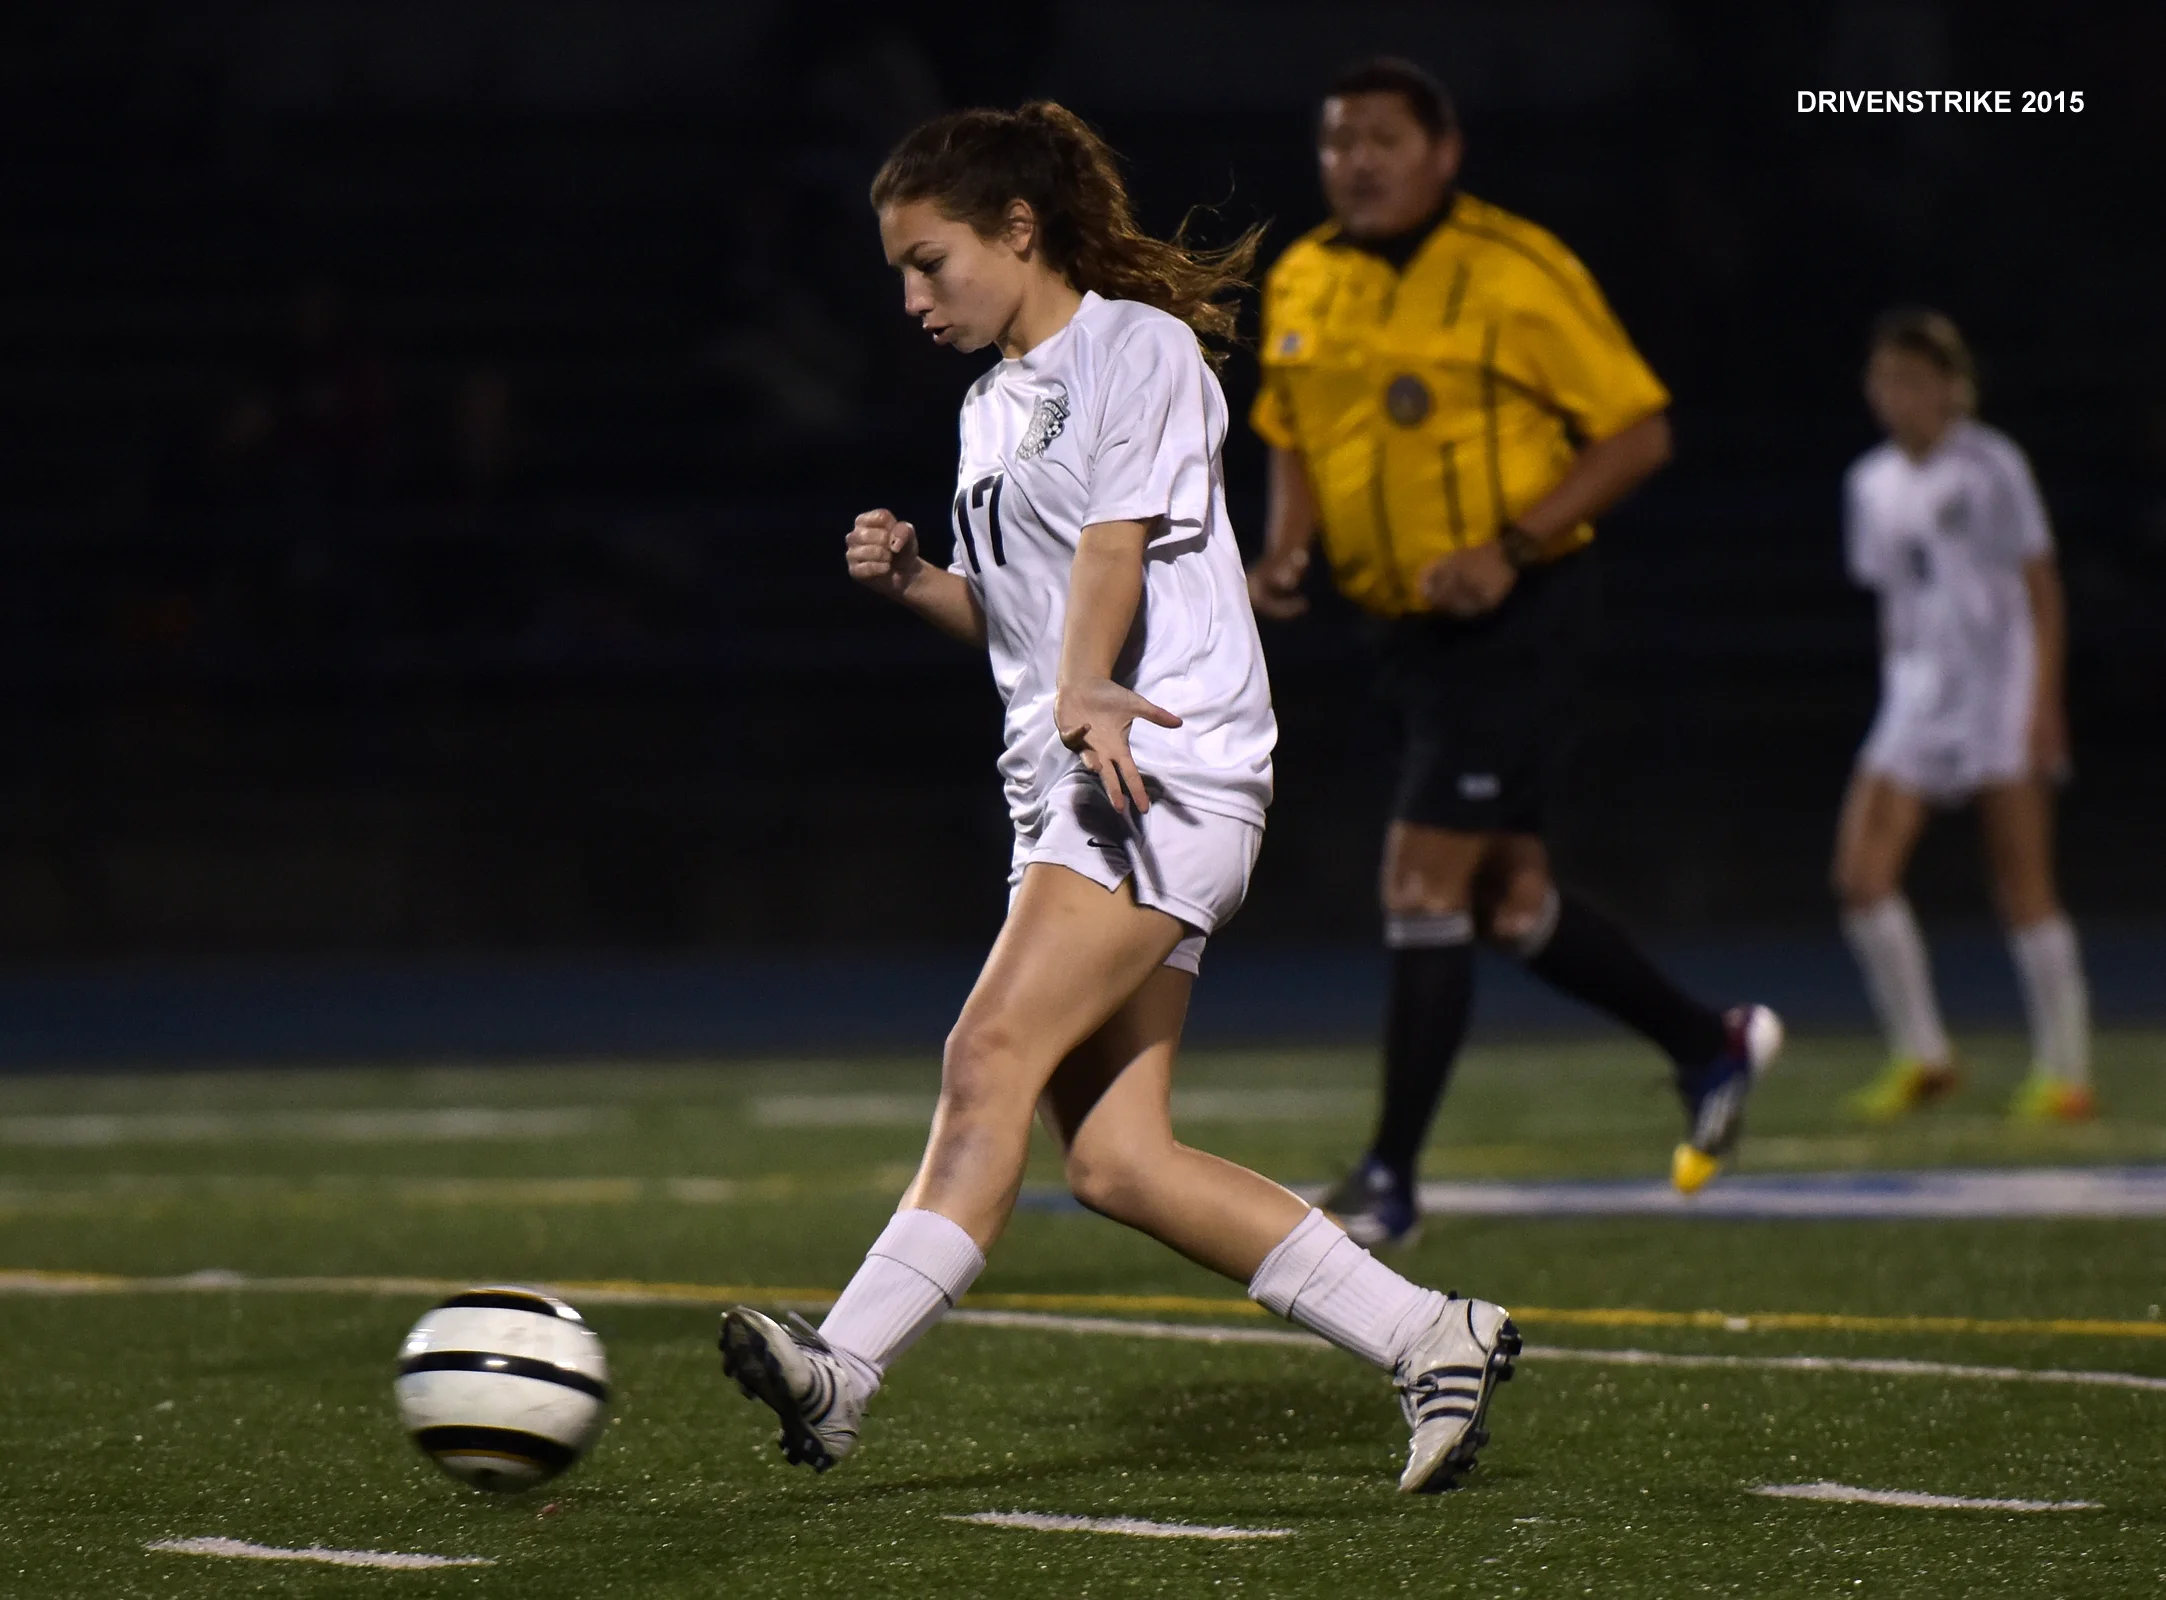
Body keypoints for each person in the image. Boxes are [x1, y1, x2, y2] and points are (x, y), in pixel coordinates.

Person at [717, 101, 1520, 1495]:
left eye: (930, 262)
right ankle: (1428, 1335)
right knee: (1117, 1162)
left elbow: (1114, 552)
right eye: (898, 271)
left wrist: (1088, 681)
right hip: (1079, 786)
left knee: (985, 1059)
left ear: (1019, 231)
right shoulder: (985, 411)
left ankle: (842, 1371)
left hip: (1167, 768)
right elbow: (1033, 633)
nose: (908, 297)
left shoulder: (1131, 349)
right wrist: (919, 583)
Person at [1245, 57, 1781, 1245]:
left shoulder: (1514, 267)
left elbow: (1638, 432)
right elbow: (1289, 427)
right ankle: (1710, 1041)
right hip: (1398, 635)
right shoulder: (1307, 274)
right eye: (1339, 142)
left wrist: (1510, 545)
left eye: (1385, 138)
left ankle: (1389, 1176)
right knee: (1507, 901)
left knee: (1420, 883)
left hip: (1514, 620)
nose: (1359, 162)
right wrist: (1284, 548)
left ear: (1446, 150)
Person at [1835, 309, 2093, 1122]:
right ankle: (1924, 1056)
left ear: (1951, 387)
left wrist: (2043, 703)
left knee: (2022, 885)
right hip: (1915, 695)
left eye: (1913, 380)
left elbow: (2041, 590)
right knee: (1860, 878)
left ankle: (2066, 1071)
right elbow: (1891, 603)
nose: (1897, 397)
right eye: (1885, 381)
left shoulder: (1991, 466)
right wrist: (1893, 695)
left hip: (1998, 690)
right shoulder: (1869, 483)